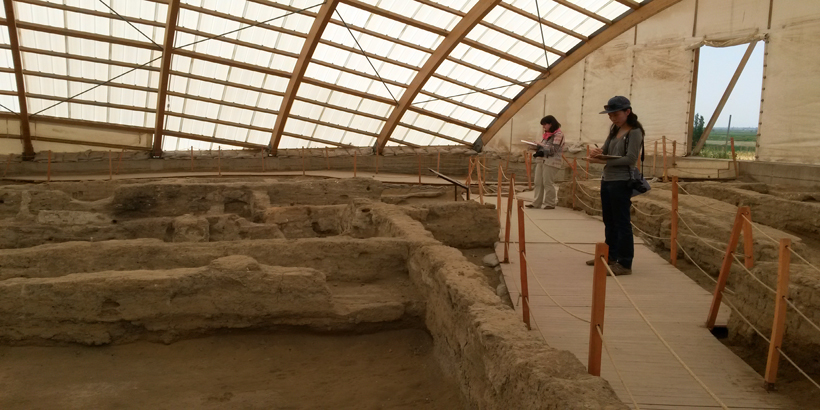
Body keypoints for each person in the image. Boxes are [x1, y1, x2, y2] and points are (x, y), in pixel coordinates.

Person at [586, 96, 645, 276]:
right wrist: (598, 153)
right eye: (610, 115)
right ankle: (610, 255)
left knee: (621, 222)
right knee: (609, 221)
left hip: (621, 181)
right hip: (608, 179)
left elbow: (630, 159)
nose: (612, 118)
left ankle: (625, 262)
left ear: (628, 112)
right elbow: (605, 149)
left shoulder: (634, 132)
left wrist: (605, 160)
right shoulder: (614, 130)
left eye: (615, 114)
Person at [526, 115, 564, 210]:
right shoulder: (547, 134)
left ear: (551, 124)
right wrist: (534, 146)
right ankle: (536, 203)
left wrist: (541, 144)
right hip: (542, 160)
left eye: (544, 124)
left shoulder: (558, 134)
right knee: (538, 182)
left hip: (552, 162)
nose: (543, 127)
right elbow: (544, 148)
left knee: (547, 182)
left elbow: (553, 149)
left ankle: (550, 203)